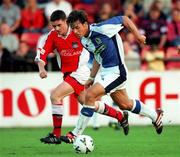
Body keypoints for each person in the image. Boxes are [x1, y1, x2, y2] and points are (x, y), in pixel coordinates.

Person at [60, 10, 164, 144]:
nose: (75, 31)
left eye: (77, 27)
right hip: (106, 72)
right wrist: (91, 78)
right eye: (72, 28)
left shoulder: (102, 28)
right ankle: (156, 116)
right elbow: (98, 56)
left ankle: (75, 134)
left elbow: (125, 19)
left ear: (85, 24)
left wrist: (137, 36)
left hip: (117, 71)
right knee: (125, 104)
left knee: (89, 95)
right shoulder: (84, 41)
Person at [35, 10, 129, 144]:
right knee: (89, 104)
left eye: (59, 25)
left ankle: (55, 135)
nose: (56, 29)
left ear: (66, 21)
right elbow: (42, 54)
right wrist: (42, 68)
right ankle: (120, 117)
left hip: (81, 72)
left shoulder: (78, 32)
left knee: (55, 96)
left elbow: (97, 45)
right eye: (53, 26)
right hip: (68, 75)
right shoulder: (53, 36)